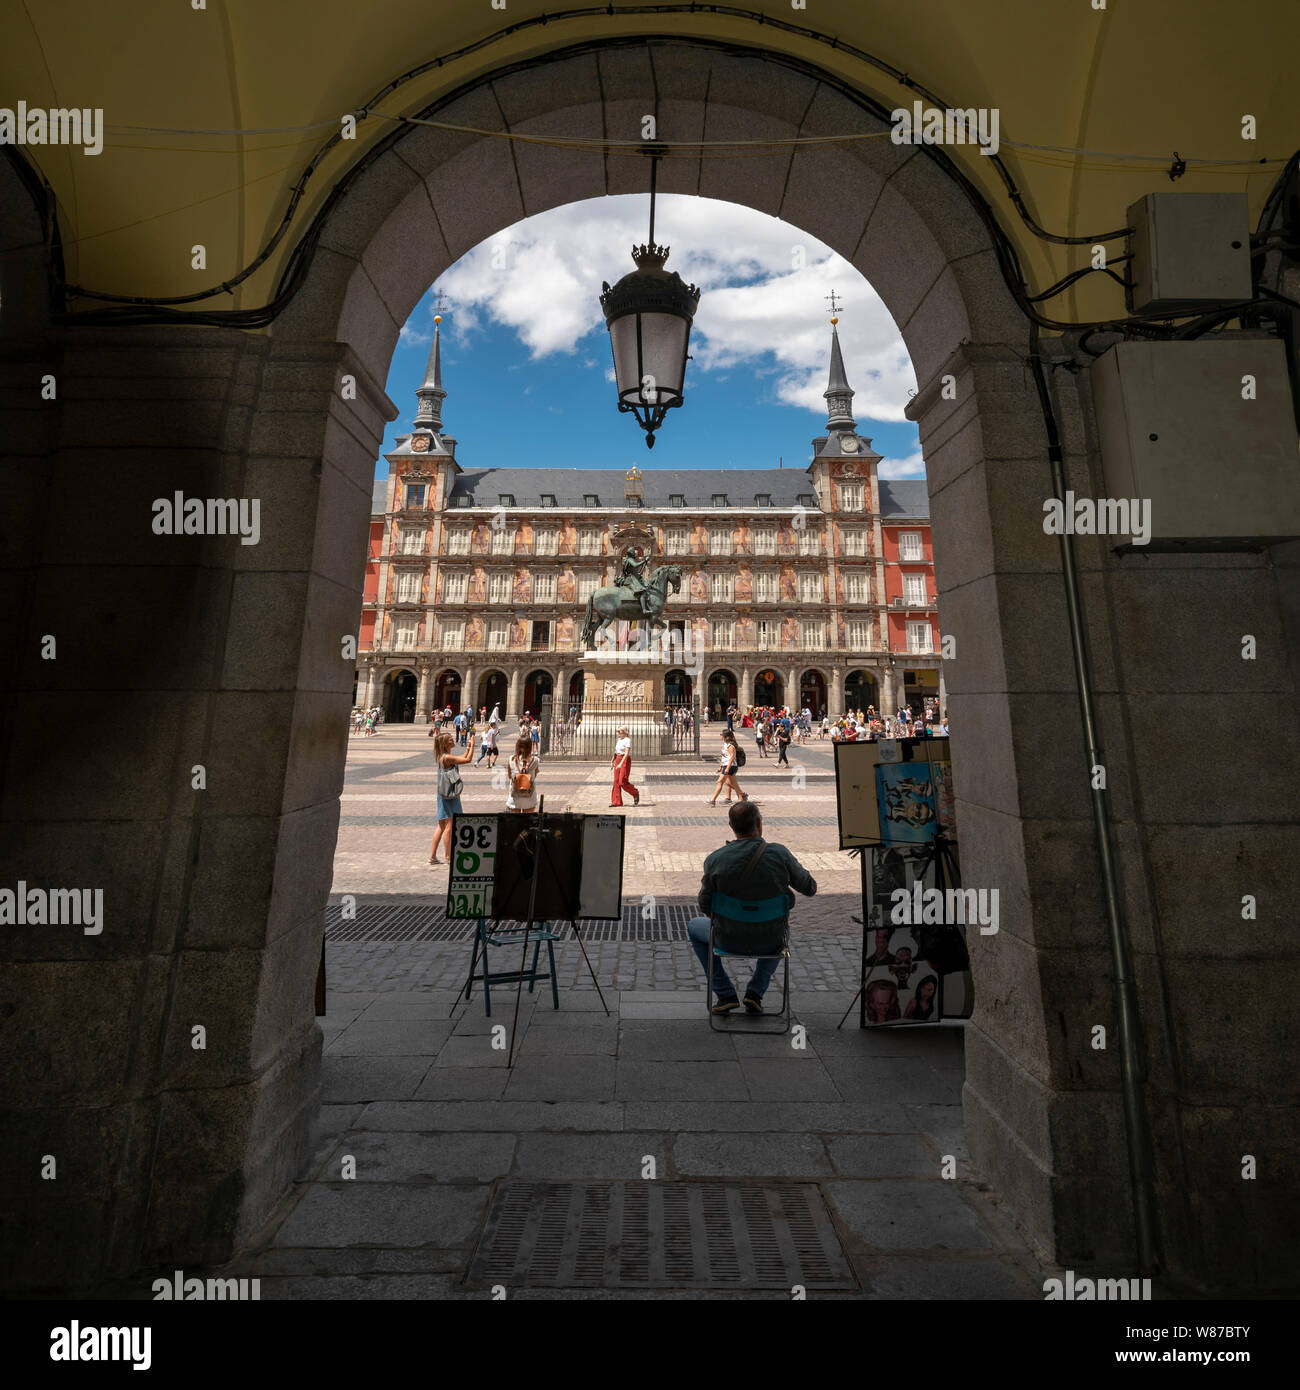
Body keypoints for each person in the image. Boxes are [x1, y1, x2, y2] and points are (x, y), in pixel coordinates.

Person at [687, 800, 817, 1014]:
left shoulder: (715, 859)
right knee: (784, 929)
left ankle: (725, 993)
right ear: (759, 823)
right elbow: (810, 888)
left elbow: (704, 904)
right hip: (771, 940)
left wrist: (730, 915)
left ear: (731, 826)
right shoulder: (779, 854)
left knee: (694, 926)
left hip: (727, 938)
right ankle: (755, 992)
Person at [429, 731, 473, 866]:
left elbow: (461, 758)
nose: (453, 740)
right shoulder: (447, 758)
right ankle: (448, 856)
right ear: (445, 743)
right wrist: (472, 746)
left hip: (443, 793)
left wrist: (467, 748)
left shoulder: (445, 757)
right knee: (449, 824)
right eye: (450, 739)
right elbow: (468, 760)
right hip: (449, 795)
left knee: (441, 825)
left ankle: (432, 856)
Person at [708, 731, 745, 806]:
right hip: (727, 765)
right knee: (733, 784)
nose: (720, 736)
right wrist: (721, 766)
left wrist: (727, 768)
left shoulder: (730, 746)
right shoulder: (725, 744)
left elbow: (732, 757)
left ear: (726, 737)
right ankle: (741, 798)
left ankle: (713, 800)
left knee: (720, 782)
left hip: (730, 766)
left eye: (722, 735)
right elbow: (724, 757)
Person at [505, 734, 539, 814]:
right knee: (527, 823)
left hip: (515, 796)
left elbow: (510, 776)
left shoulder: (511, 759)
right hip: (529, 796)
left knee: (515, 823)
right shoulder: (535, 760)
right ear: (530, 747)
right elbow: (534, 776)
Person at [610, 724, 640, 807]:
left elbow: (626, 753)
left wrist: (621, 763)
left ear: (624, 732)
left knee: (622, 781)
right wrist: (612, 760)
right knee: (616, 781)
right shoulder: (619, 740)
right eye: (618, 732)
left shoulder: (627, 740)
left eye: (620, 731)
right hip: (618, 759)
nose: (618, 733)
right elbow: (616, 751)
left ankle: (635, 792)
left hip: (624, 760)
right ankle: (616, 802)